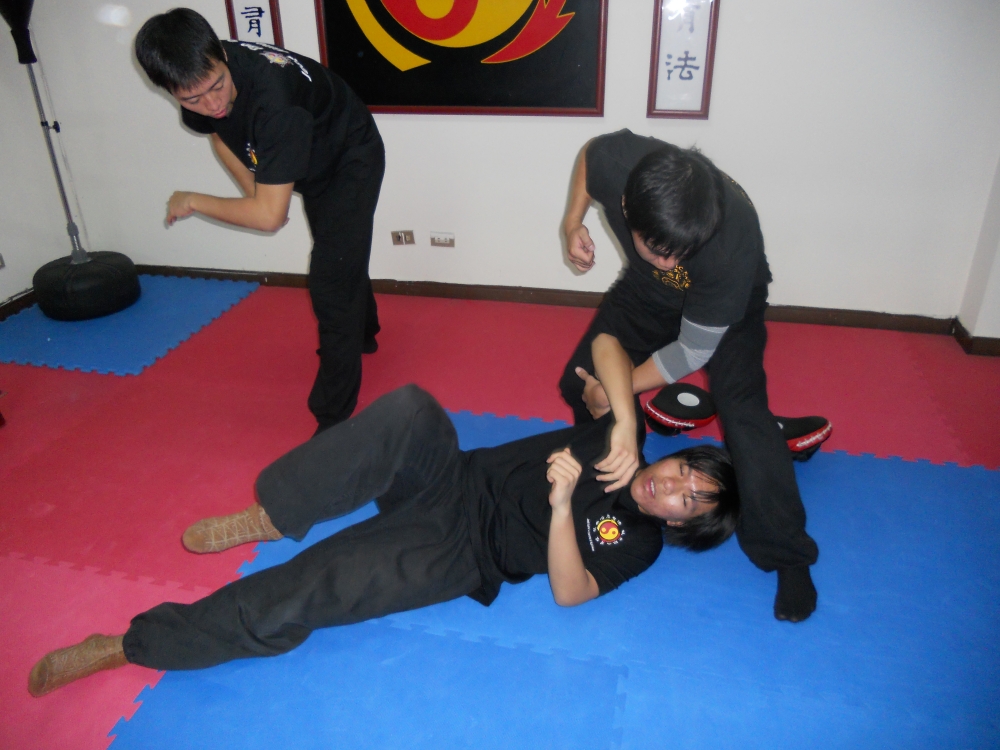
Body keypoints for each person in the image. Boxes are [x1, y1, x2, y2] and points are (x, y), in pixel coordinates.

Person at [27, 333, 738, 697]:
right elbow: (609, 347)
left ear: (683, 523)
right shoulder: (622, 443)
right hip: (452, 475)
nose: (672, 486)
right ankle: (273, 514)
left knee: (316, 586)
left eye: (688, 499)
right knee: (411, 408)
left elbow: (570, 591)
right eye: (685, 471)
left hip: (459, 552)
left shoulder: (637, 543)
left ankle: (131, 645)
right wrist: (620, 417)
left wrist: (560, 508)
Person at [559, 129, 819, 623]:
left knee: (742, 413)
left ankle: (788, 555)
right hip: (646, 292)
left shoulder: (728, 247)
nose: (671, 262)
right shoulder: (619, 163)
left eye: (680, 251)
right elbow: (590, 159)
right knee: (579, 385)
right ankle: (616, 475)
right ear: (629, 207)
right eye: (660, 248)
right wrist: (572, 222)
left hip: (729, 306)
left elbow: (693, 350)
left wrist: (615, 389)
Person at [135, 9, 383, 432]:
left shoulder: (276, 103)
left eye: (217, 86)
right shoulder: (201, 76)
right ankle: (363, 333)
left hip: (349, 154)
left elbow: (269, 218)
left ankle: (333, 420)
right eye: (192, 100)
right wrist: (253, 191)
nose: (211, 104)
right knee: (340, 253)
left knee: (330, 282)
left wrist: (194, 200)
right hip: (308, 153)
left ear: (222, 56)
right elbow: (219, 132)